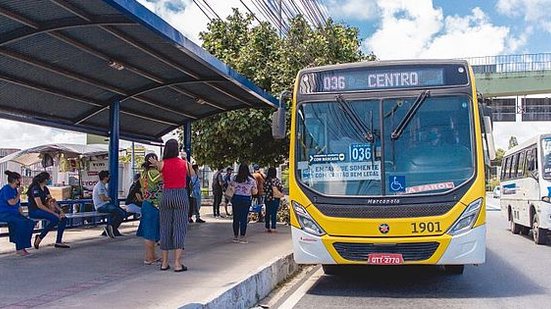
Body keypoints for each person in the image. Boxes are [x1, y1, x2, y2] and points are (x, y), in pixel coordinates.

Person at [149, 139, 195, 272]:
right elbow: (193, 175)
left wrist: (156, 163)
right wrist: (187, 161)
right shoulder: (184, 164)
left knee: (165, 227)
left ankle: (164, 263)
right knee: (180, 227)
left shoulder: (162, 164)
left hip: (166, 195)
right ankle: (177, 263)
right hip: (181, 195)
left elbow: (159, 172)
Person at [28, 172, 70, 249]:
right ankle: (40, 238)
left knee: (63, 219)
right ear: (45, 179)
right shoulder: (35, 189)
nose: (50, 180)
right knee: (55, 219)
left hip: (44, 210)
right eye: (49, 178)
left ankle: (58, 241)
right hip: (35, 211)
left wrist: (60, 210)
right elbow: (39, 205)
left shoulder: (45, 189)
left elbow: (51, 200)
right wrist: (54, 213)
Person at [0, 171, 35, 256]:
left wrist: (22, 214)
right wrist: (19, 193)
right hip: (4, 213)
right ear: (15, 180)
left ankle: (23, 245)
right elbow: (12, 202)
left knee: (29, 222)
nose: (21, 181)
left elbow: (18, 204)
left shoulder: (15, 190)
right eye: (19, 179)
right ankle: (20, 248)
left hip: (14, 214)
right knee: (21, 223)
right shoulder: (6, 189)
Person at [137, 153, 162, 265]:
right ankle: (149, 258)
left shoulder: (143, 173)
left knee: (149, 232)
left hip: (147, 203)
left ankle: (151, 255)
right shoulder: (153, 173)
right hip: (153, 205)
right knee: (150, 233)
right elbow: (164, 177)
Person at [93, 170, 128, 238]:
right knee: (121, 213)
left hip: (105, 205)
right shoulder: (100, 186)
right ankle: (110, 227)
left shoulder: (102, 185)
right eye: (108, 177)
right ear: (105, 177)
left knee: (122, 213)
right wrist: (109, 198)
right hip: (101, 206)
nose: (109, 178)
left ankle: (112, 228)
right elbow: (102, 198)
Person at [230, 163, 257, 243]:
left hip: (236, 198)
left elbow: (231, 189)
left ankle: (235, 236)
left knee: (236, 218)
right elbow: (254, 192)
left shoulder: (235, 178)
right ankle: (242, 236)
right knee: (243, 218)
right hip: (246, 198)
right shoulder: (251, 180)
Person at [263, 167, 284, 233]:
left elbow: (264, 189)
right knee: (274, 213)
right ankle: (273, 227)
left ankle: (267, 226)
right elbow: (281, 188)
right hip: (275, 198)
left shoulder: (266, 180)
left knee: (268, 213)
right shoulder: (276, 180)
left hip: (267, 198)